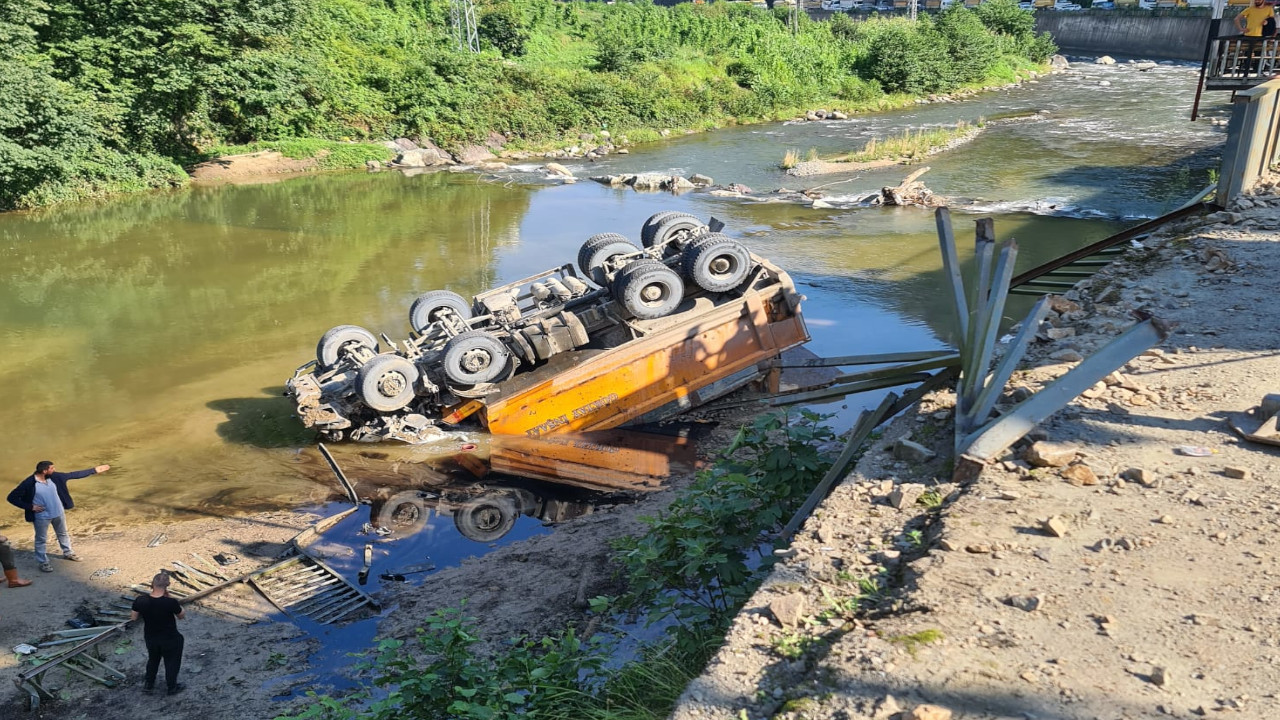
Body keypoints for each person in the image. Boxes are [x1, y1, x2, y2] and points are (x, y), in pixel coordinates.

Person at [7, 460, 110, 572]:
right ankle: (43, 562)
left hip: (58, 513)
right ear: (44, 471)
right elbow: (11, 497)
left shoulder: (55, 477)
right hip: (41, 516)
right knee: (41, 539)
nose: (54, 470)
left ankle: (68, 553)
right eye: (52, 468)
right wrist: (30, 507)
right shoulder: (29, 483)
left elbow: (73, 475)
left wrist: (93, 470)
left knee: (63, 534)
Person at [130, 572, 185, 696]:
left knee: (153, 660)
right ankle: (172, 687)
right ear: (168, 585)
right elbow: (181, 615)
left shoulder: (140, 600)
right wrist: (169, 597)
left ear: (151, 584)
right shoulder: (170, 602)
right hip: (170, 638)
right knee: (171, 662)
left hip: (151, 637)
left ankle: (148, 684)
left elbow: (133, 618)